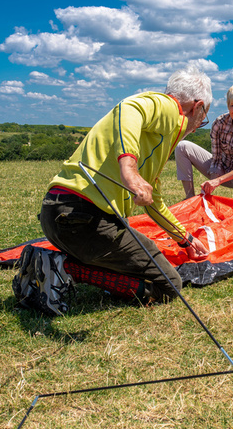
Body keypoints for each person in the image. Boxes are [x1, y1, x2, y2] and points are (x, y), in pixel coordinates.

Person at [12, 66, 212, 315]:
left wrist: (185, 239)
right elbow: (130, 109)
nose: (196, 127)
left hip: (56, 214)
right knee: (169, 285)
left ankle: (47, 265)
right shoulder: (169, 108)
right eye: (201, 120)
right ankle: (63, 269)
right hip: (85, 219)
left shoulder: (155, 137)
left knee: (136, 264)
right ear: (197, 106)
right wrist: (128, 167)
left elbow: (154, 202)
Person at [175, 83, 233, 201]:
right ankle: (189, 197)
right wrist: (210, 186)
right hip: (222, 169)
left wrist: (218, 181)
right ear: (228, 106)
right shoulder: (219, 123)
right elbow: (216, 159)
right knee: (182, 146)